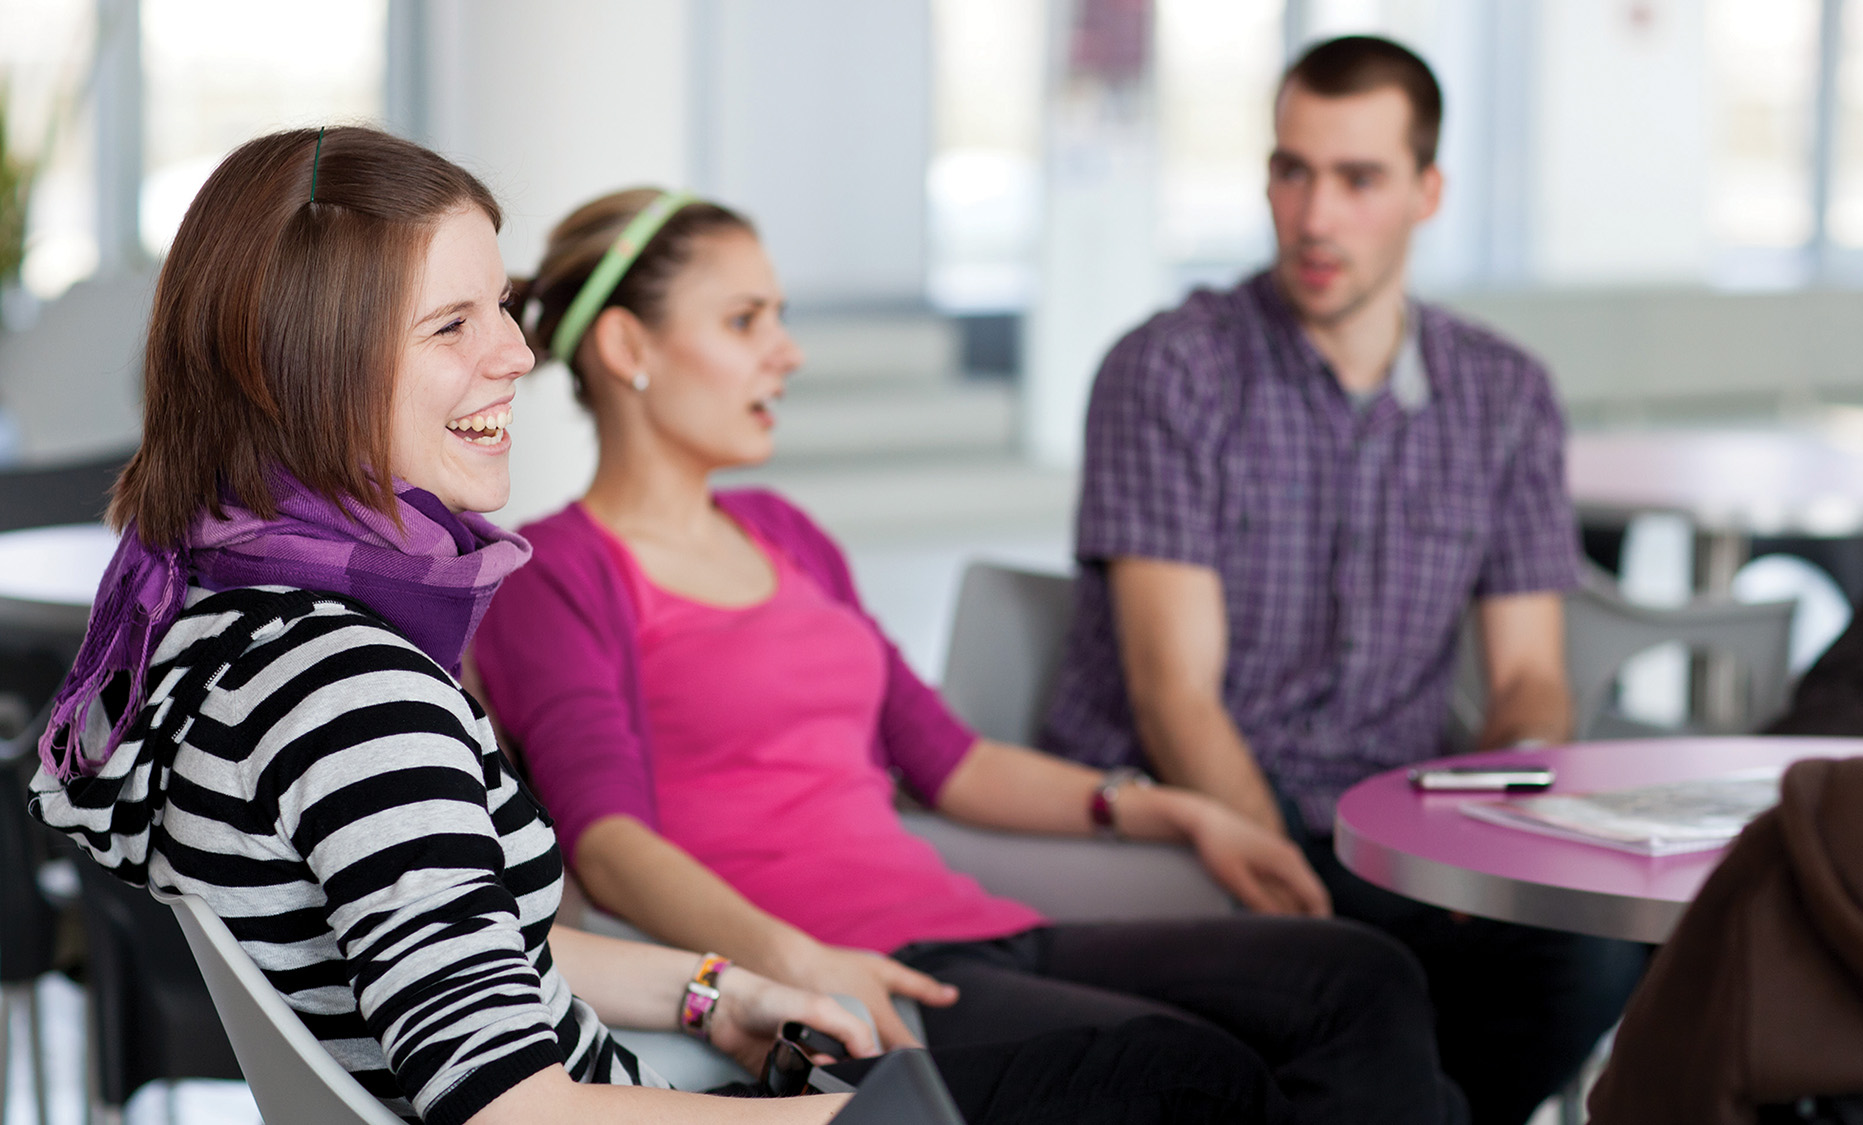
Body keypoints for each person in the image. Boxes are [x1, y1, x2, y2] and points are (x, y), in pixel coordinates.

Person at [25, 127, 1280, 1125]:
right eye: (453, 327)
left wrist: (716, 989)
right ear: (309, 371)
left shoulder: (216, 625)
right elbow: (507, 1103)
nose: (518, 355)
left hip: (659, 1056)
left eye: (503, 309)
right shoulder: (354, 692)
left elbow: (472, 952)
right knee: (1187, 1082)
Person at [472, 185, 1467, 1124]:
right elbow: (608, 846)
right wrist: (795, 965)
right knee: (1191, 1073)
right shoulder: (556, 574)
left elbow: (951, 759)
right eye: (744, 322)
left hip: (974, 928)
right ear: (624, 345)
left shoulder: (783, 531)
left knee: (1357, 974)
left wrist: (1179, 811)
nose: (788, 354)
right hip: (839, 968)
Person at [1035, 36, 1646, 1125]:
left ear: (1425, 191)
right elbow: (1174, 695)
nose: (1313, 217)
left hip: (1389, 818)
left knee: (1597, 957)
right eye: (1290, 170)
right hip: (1193, 811)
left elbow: (1527, 679)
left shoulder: (1502, 394)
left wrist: (1490, 839)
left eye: (1357, 179)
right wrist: (1286, 869)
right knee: (1369, 978)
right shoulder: (1170, 369)